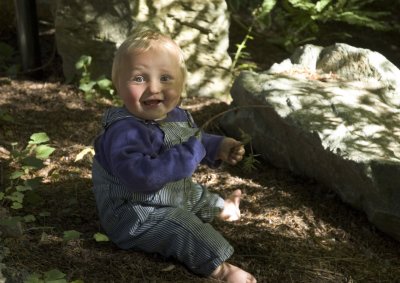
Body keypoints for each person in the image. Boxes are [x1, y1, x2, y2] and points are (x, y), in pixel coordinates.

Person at [92, 26, 257, 283]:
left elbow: (192, 139)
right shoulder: (124, 131)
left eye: (166, 78)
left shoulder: (176, 115)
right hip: (135, 212)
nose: (153, 88)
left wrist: (217, 146)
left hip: (166, 194)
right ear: (118, 85)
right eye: (139, 78)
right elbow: (141, 177)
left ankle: (222, 208)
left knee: (193, 193)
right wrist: (188, 154)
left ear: (181, 83)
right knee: (181, 225)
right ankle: (220, 269)